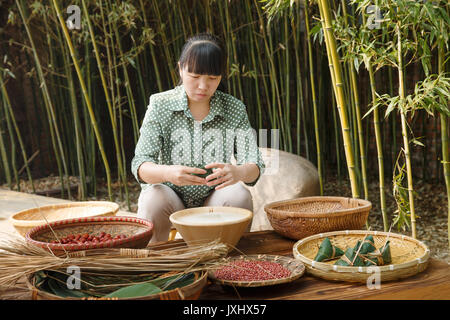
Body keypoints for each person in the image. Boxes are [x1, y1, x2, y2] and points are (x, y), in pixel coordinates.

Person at [131, 33, 265, 243]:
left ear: (221, 76)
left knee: (239, 195)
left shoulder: (234, 108)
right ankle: (155, 263)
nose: (203, 86)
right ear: (180, 68)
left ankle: (232, 263)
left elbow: (255, 163)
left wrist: (238, 172)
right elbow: (140, 165)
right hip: (170, 196)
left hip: (214, 198)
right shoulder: (160, 104)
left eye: (212, 78)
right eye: (194, 76)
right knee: (153, 197)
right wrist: (168, 173)